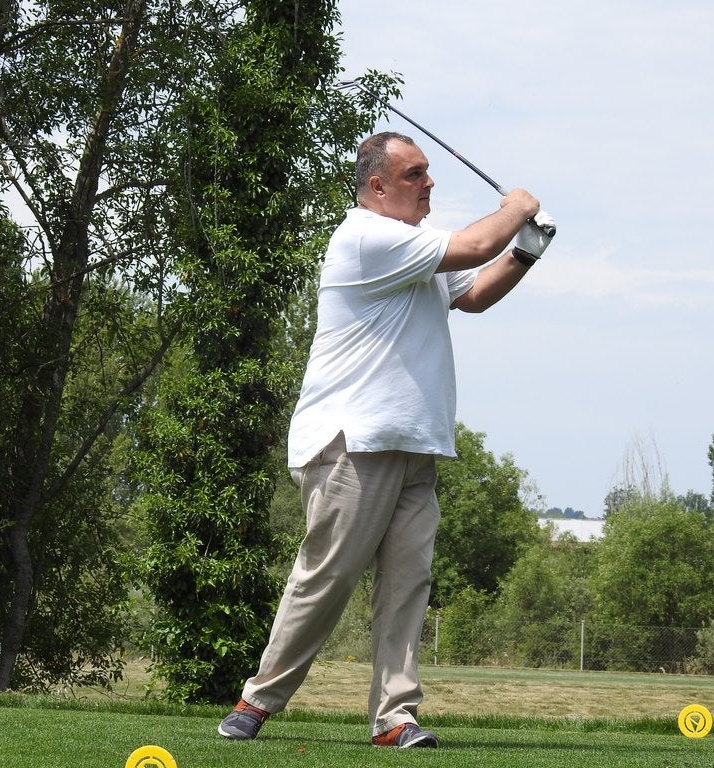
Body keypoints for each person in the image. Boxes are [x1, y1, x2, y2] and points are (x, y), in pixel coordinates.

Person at [218, 131, 554, 748]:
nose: (429, 183)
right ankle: (258, 699)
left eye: (427, 173)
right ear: (377, 186)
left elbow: (474, 292)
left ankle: (394, 718)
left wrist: (527, 249)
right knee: (329, 577)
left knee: (407, 587)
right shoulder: (366, 238)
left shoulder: (414, 251)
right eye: (415, 174)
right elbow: (476, 243)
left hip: (414, 446)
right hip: (353, 442)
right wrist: (518, 207)